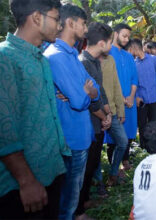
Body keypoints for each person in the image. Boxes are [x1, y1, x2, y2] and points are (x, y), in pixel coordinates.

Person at [0, 1, 66, 219]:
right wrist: (26, 180)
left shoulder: (40, 59)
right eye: (57, 19)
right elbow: (3, 128)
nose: (59, 26)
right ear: (37, 17)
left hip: (50, 173)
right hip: (23, 188)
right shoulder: (4, 58)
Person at [44, 4, 100, 219]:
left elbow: (92, 90)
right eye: (84, 23)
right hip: (70, 138)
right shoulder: (56, 56)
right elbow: (78, 100)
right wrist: (84, 92)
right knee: (66, 200)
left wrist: (86, 92)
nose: (86, 29)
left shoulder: (72, 55)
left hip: (80, 134)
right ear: (70, 23)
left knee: (72, 194)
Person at [76, 22, 113, 219]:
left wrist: (107, 113)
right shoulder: (83, 62)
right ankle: (78, 209)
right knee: (85, 165)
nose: (111, 46)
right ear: (101, 43)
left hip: (99, 121)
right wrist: (103, 116)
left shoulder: (96, 61)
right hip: (89, 123)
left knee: (93, 162)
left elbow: (100, 91)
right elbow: (89, 98)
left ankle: (85, 200)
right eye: (110, 42)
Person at [106, 23, 138, 176]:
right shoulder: (107, 53)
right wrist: (121, 99)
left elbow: (134, 78)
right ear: (115, 34)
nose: (126, 39)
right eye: (124, 36)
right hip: (115, 102)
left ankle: (125, 159)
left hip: (130, 102)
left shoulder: (128, 56)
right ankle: (114, 166)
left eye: (128, 37)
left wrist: (131, 96)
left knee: (129, 130)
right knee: (114, 136)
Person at [127, 39, 156, 148]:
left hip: (154, 98)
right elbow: (133, 82)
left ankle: (155, 146)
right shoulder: (134, 63)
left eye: (130, 49)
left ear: (134, 47)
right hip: (141, 100)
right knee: (142, 124)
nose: (129, 52)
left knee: (154, 123)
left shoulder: (153, 60)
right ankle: (143, 147)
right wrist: (137, 96)